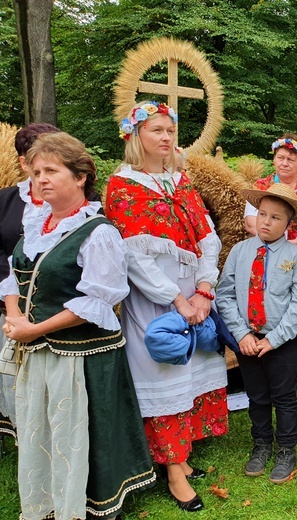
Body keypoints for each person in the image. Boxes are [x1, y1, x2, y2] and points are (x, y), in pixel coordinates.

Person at [1, 132, 155, 520]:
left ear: (81, 176)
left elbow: (97, 300)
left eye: (52, 170)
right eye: (36, 172)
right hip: (39, 353)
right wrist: (14, 314)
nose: (41, 179)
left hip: (82, 356)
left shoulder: (98, 232)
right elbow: (14, 273)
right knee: (45, 428)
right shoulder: (38, 224)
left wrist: (33, 330)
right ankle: (51, 498)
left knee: (83, 433)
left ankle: (90, 504)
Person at [106, 101, 227, 512]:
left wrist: (205, 289)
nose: (165, 137)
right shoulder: (123, 185)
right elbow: (133, 256)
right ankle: (173, 471)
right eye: (156, 129)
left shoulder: (180, 180)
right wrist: (176, 299)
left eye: (170, 131)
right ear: (135, 135)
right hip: (156, 299)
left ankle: (182, 457)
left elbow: (207, 236)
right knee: (163, 372)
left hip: (194, 294)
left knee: (189, 372)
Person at [217, 183, 297, 484]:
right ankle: (261, 444)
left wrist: (274, 339)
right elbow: (225, 295)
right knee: (256, 395)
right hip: (247, 340)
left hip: (280, 341)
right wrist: (242, 335)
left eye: (275, 217)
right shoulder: (240, 251)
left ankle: (286, 448)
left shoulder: (295, 256)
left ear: (289, 224)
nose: (266, 222)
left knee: (283, 396)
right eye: (262, 214)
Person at [244, 134, 297, 398]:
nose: (285, 163)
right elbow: (250, 222)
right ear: (273, 159)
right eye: (280, 157)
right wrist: (277, 243)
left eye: (291, 159)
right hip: (268, 254)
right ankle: (275, 372)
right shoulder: (262, 186)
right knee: (273, 306)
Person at [0, 123, 59, 443]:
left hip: (61, 308)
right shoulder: (5, 202)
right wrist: (14, 309)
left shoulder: (78, 197)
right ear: (23, 163)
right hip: (12, 310)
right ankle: (29, 441)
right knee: (20, 381)